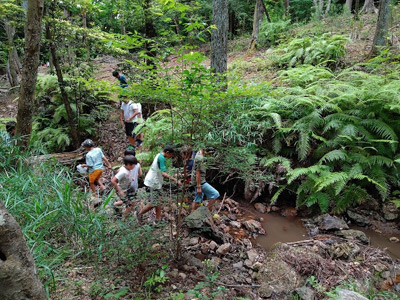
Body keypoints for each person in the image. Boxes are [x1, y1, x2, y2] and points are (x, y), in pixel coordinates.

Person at [139, 145, 182, 221]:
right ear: (167, 152)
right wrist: (175, 180)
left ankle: (158, 219)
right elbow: (163, 174)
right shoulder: (161, 158)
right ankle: (139, 213)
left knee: (159, 200)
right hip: (153, 182)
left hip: (154, 181)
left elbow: (163, 170)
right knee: (155, 202)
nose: (171, 156)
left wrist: (174, 174)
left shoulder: (159, 155)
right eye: (171, 154)